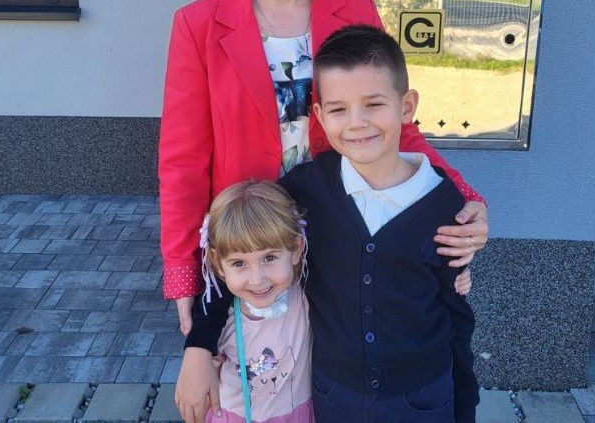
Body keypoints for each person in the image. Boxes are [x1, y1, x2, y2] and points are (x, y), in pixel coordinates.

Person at [180, 24, 480, 423]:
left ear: (406, 106)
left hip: (422, 398)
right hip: (333, 397)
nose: (357, 122)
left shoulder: (445, 204)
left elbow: (455, 312)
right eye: (339, 109)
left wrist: (465, 405)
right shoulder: (304, 190)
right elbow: (235, 254)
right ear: (320, 116)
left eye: (373, 104)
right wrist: (199, 346)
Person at [158, 0, 489, 340]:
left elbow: (392, 124)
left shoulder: (355, 8)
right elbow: (183, 160)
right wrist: (183, 269)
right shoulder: (198, 24)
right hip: (253, 240)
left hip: (339, 230)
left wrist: (463, 197)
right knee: (257, 362)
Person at [194, 180, 314, 423]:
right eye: (239, 263)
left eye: (269, 258)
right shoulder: (219, 322)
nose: (257, 280)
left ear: (296, 249)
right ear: (217, 263)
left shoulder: (307, 299)